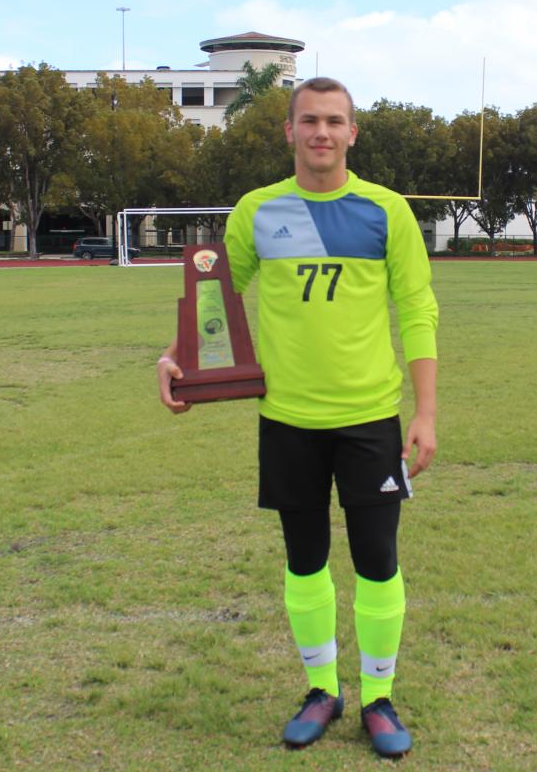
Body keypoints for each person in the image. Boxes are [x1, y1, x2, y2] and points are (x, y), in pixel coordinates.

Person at [157, 76, 438, 758]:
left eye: (333, 121)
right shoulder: (256, 211)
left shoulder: (385, 210)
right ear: (288, 131)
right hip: (286, 417)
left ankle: (377, 696)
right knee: (304, 558)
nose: (321, 132)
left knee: (377, 559)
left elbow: (418, 308)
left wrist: (424, 410)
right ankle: (321, 689)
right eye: (308, 119)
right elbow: (219, 297)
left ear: (351, 133)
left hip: (370, 417)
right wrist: (179, 358)